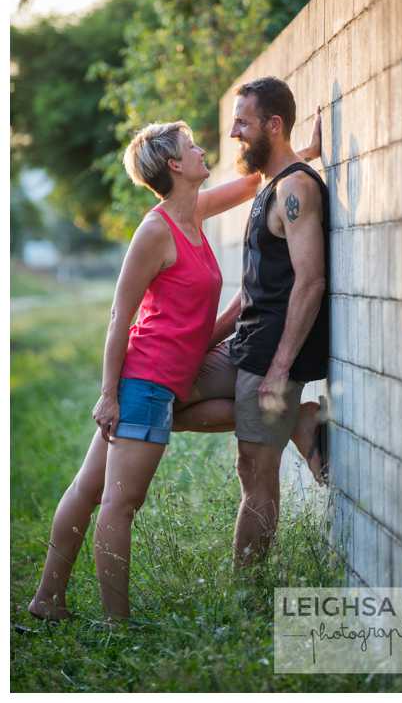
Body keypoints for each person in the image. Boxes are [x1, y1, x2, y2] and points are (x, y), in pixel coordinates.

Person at [28, 113, 322, 622]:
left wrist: (303, 156)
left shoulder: (192, 212)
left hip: (173, 380)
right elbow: (122, 311)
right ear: (173, 164)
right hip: (146, 379)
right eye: (191, 146)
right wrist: (108, 392)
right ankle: (116, 626)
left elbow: (259, 181)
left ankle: (47, 599)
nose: (202, 151)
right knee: (119, 503)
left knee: (90, 488)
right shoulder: (155, 229)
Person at [169, 76, 330, 570]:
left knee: (255, 475)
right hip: (246, 340)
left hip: (272, 353)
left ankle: (247, 595)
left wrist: (282, 371)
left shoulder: (296, 189)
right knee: (159, 403)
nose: (235, 131)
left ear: (273, 125)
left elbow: (310, 283)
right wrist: (201, 344)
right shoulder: (273, 187)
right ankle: (298, 423)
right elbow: (252, 290)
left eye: (244, 121)